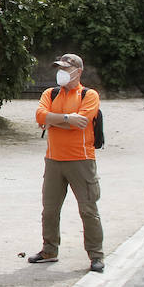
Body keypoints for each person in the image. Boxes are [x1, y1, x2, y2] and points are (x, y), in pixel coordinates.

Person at [28, 53, 106, 272]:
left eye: (66, 68)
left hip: (81, 160)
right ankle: (49, 250)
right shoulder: (50, 93)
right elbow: (39, 116)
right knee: (49, 210)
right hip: (53, 160)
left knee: (88, 209)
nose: (61, 72)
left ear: (78, 72)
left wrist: (53, 121)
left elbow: (80, 123)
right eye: (59, 68)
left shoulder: (89, 95)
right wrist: (65, 119)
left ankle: (96, 255)